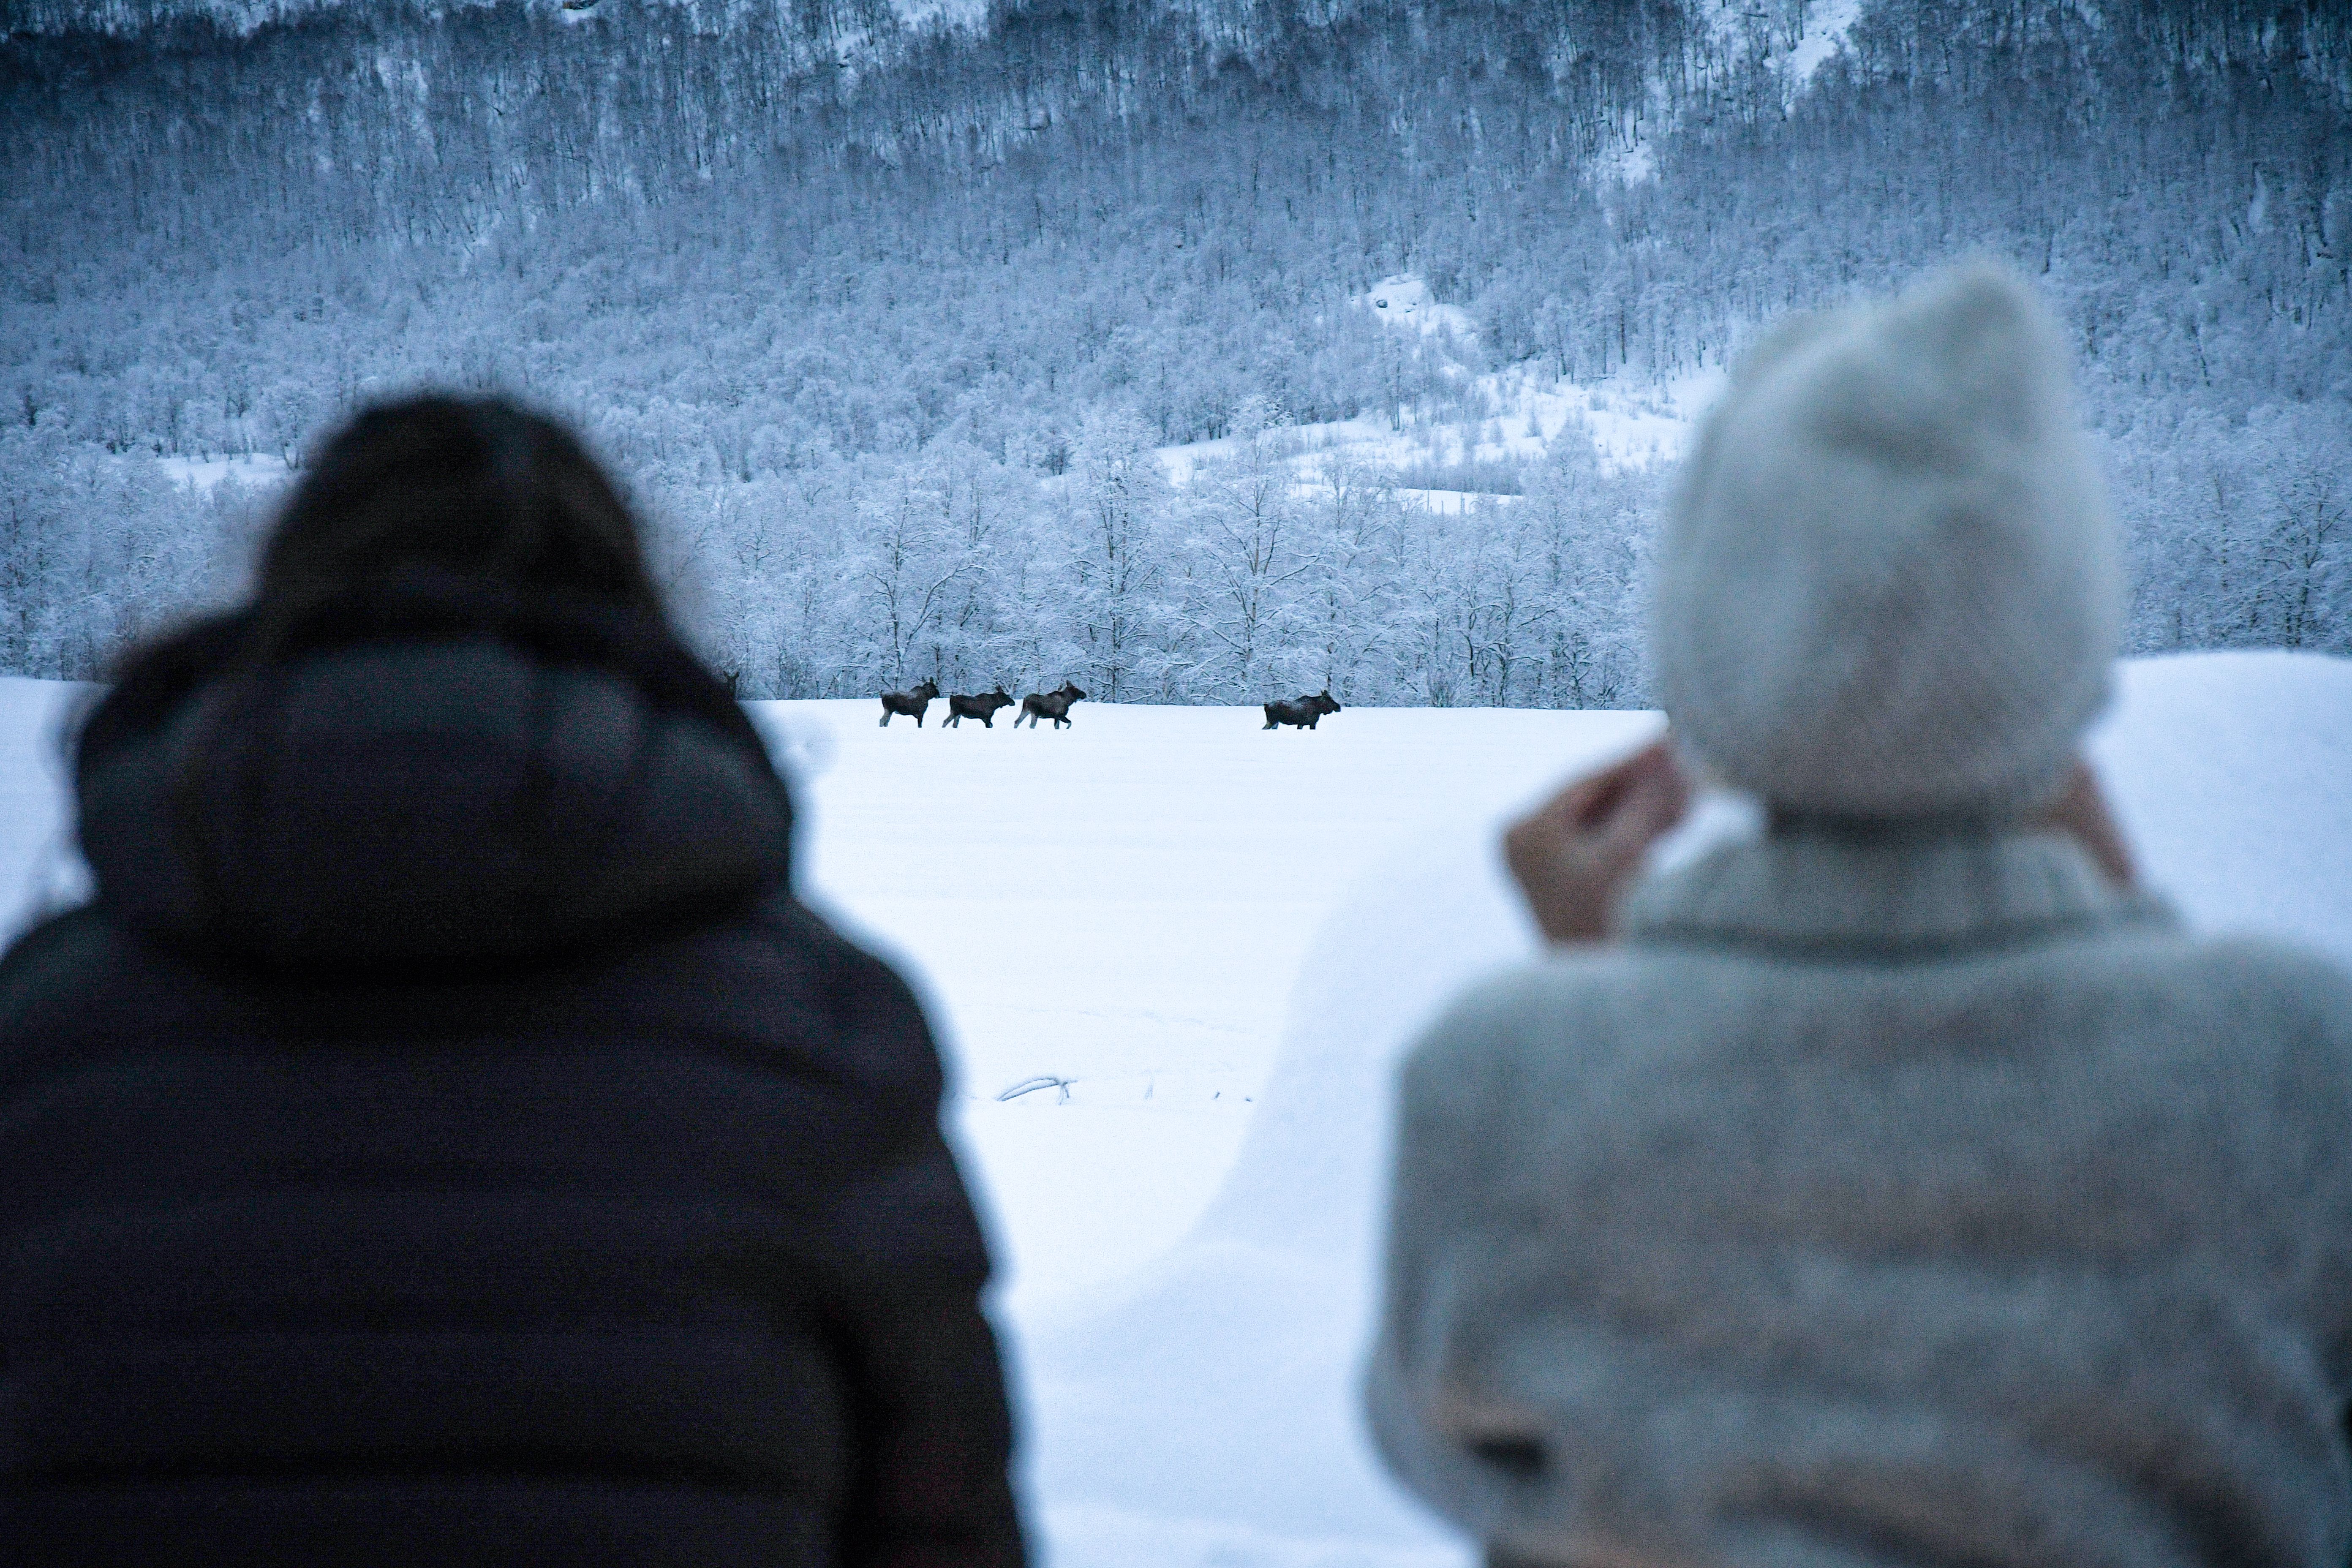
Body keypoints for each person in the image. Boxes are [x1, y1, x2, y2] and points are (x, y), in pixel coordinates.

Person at [1364, 265, 2352, 1565]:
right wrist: (2133, 938)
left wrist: (1599, 987)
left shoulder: (1497, 1072)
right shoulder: (2293, 1060)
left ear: (1709, 658)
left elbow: (1438, 1446)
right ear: (2064, 651)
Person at [0, 396, 1027, 1567]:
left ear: (282, 595)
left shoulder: (40, 1033)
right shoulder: (823, 1031)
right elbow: (945, 1525)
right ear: (632, 607)